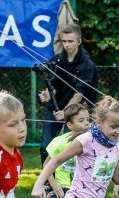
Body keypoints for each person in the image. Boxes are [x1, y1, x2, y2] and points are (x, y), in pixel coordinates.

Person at [36, 23, 99, 164]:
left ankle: (69, 180)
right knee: (46, 145)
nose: (66, 45)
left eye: (70, 41)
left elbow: (79, 93)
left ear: (79, 41)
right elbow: (52, 80)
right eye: (64, 41)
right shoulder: (57, 59)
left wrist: (65, 112)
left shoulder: (87, 64)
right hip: (55, 107)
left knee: (69, 146)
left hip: (76, 109)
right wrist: (46, 94)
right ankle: (47, 181)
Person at [32, 103, 90, 198]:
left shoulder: (91, 140)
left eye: (88, 119)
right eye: (81, 120)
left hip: (82, 184)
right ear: (70, 125)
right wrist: (54, 185)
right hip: (64, 184)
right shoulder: (60, 142)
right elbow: (46, 164)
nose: (86, 123)